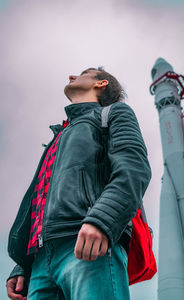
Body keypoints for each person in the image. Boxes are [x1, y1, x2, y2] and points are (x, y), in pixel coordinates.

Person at [6, 67, 151, 300]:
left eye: (84, 73)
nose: (72, 76)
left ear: (101, 83)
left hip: (88, 245)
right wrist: (23, 265)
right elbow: (38, 203)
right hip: (40, 263)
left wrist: (103, 220)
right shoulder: (59, 136)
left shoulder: (114, 113)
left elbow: (133, 169)